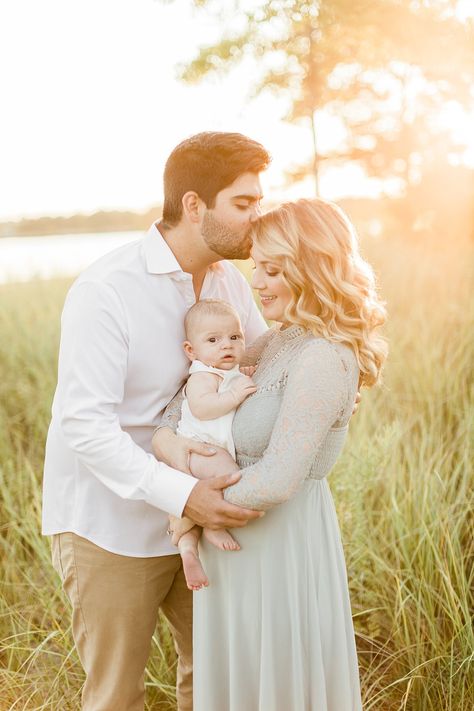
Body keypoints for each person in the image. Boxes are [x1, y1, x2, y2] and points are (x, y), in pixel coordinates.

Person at [42, 131, 271, 711]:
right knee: (117, 695)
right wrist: (185, 493)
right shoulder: (105, 290)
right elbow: (85, 426)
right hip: (109, 525)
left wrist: (338, 366)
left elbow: (266, 367)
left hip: (207, 519)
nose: (257, 218)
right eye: (244, 204)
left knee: (219, 682)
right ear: (194, 205)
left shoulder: (229, 283)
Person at [154, 197, 387, 710]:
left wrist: (192, 496)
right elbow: (179, 410)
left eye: (273, 269)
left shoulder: (326, 356)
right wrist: (169, 447)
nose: (256, 282)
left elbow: (280, 478)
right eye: (255, 265)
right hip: (231, 544)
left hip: (280, 544)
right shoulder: (279, 340)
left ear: (312, 268)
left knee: (279, 687)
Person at [170, 298, 257, 591]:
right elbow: (202, 407)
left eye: (235, 337)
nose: (227, 346)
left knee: (185, 515)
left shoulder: (225, 371)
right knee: (229, 473)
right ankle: (213, 526)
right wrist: (234, 396)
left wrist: (240, 378)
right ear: (191, 351)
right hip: (199, 448)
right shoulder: (202, 375)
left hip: (203, 451)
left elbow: (231, 380)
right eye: (213, 340)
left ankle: (188, 551)